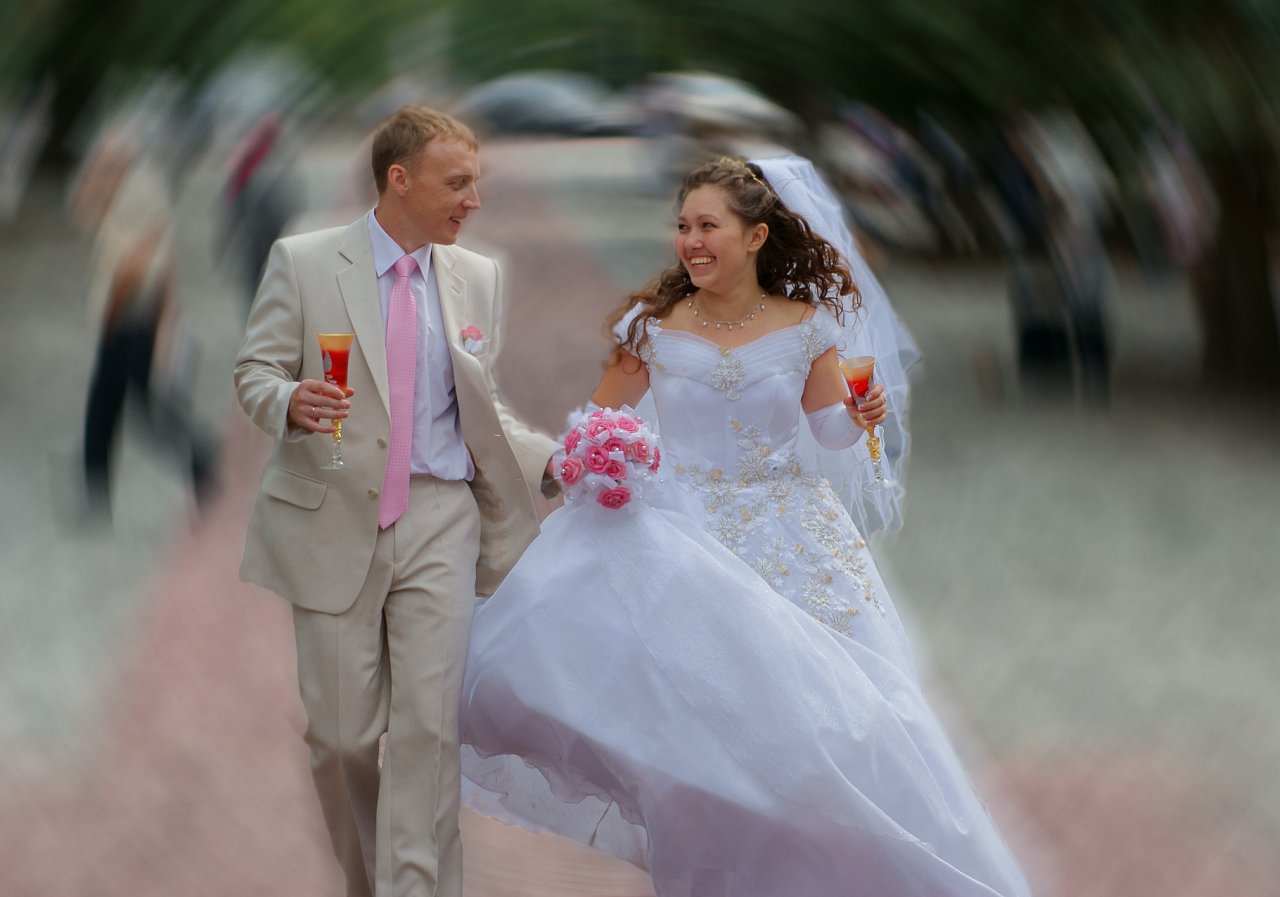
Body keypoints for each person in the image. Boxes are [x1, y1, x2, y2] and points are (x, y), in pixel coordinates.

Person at [458, 157, 1031, 896]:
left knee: (832, 725)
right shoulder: (650, 328)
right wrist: (605, 460)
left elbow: (827, 432)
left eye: (709, 226)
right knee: (696, 735)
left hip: (792, 537)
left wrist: (859, 418)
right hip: (679, 539)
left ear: (756, 236)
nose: (691, 241)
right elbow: (595, 424)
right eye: (683, 226)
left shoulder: (805, 329)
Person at [233, 106, 557, 897]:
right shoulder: (304, 261)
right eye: (458, 182)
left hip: (443, 520)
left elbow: (481, 407)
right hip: (332, 515)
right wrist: (287, 401)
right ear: (399, 179)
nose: (474, 199)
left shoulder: (479, 276)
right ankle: (368, 881)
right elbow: (254, 372)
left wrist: (560, 459)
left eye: (476, 181)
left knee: (428, 735)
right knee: (341, 738)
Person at [76, 127, 217, 522]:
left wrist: (113, 311)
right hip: (127, 315)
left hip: (132, 315)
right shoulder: (122, 188)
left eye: (109, 156)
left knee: (147, 408)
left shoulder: (142, 191)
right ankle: (94, 490)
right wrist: (99, 172)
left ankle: (202, 460)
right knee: (104, 405)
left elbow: (138, 264)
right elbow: (83, 212)